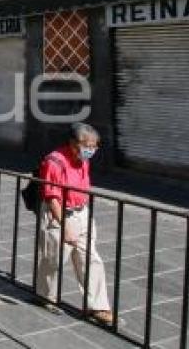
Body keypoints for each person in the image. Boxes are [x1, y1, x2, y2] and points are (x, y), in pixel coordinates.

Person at [36, 123, 113, 326]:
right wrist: (65, 225)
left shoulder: (82, 159)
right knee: (54, 259)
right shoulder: (54, 162)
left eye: (95, 146)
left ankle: (98, 306)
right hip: (60, 213)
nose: (92, 150)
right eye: (88, 145)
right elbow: (52, 197)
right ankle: (45, 296)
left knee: (91, 258)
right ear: (73, 143)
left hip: (81, 212)